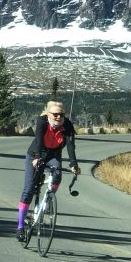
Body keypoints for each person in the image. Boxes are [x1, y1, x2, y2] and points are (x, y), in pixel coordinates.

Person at [15, 101, 80, 242]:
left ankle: (49, 198)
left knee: (57, 175)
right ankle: (20, 227)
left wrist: (73, 164)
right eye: (55, 114)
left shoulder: (67, 125)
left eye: (61, 114)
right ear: (48, 114)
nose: (58, 117)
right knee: (29, 190)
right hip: (35, 154)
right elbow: (38, 140)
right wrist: (37, 157)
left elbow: (70, 146)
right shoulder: (42, 121)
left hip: (53, 155)